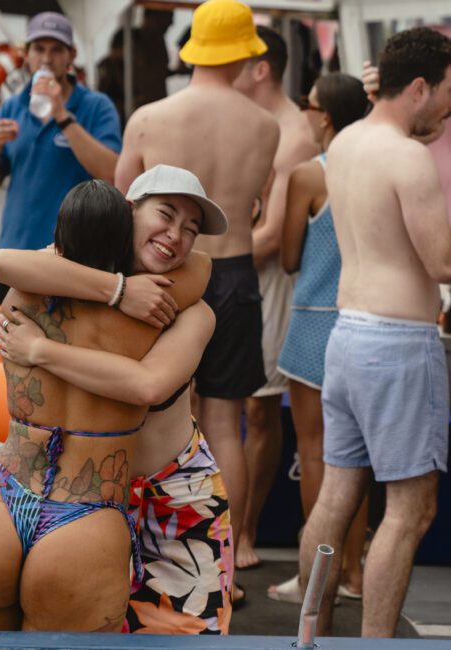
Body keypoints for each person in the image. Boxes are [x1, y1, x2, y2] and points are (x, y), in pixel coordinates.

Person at [0, 165, 235, 635]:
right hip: (83, 497)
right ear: (129, 210)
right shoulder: (74, 272)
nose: (176, 236)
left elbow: (149, 386)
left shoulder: (191, 308)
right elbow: (0, 264)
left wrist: (41, 350)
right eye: (165, 215)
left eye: (190, 229)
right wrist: (118, 291)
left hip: (171, 497)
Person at [114, 0, 279, 597]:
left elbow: (120, 200)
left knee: (154, 419)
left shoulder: (151, 116)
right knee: (224, 424)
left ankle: (143, 555)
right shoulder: (266, 126)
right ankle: (228, 566)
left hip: (166, 278)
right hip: (233, 272)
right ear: (244, 54)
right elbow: (254, 206)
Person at [298, 27, 451, 637]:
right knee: (409, 511)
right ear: (420, 86)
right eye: (445, 92)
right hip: (398, 346)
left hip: (348, 334)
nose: (448, 107)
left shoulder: (349, 142)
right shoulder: (407, 157)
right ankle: (375, 644)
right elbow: (442, 263)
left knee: (336, 500)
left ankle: (310, 630)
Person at [266, 73, 370, 603]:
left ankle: (317, 577)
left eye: (308, 105)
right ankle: (353, 570)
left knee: (315, 453)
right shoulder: (376, 165)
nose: (304, 113)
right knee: (355, 457)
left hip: (312, 323)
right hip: (364, 318)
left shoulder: (310, 175)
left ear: (325, 115)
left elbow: (287, 259)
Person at [231, 25, 319, 569]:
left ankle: (244, 532)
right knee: (223, 408)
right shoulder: (250, 124)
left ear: (260, 69)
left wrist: (207, 258)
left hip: (265, 279)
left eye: (234, 63)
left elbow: (269, 239)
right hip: (238, 271)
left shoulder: (294, 135)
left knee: (258, 411)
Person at [0, 11, 122, 304]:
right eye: (39, 49)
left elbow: (112, 172)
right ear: (26, 55)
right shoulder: (12, 107)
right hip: (14, 260)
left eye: (56, 50)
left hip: (71, 263)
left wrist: (61, 115)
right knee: (1, 347)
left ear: (71, 56)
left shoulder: (95, 106)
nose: (46, 58)